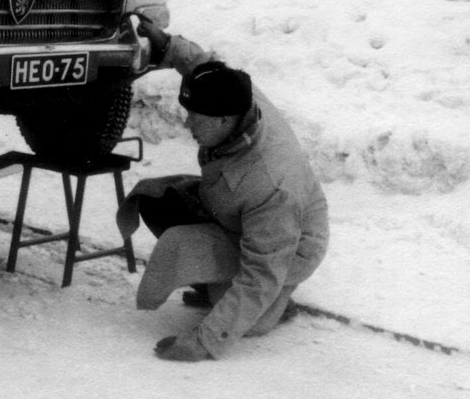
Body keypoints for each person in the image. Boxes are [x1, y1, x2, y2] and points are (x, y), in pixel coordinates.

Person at [116, 21, 329, 362]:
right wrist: (168, 45)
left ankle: (268, 301)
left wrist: (204, 341)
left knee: (249, 315)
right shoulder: (236, 96)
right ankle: (220, 287)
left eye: (195, 118)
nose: (187, 125)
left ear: (224, 121)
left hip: (292, 246)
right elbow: (205, 68)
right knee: (156, 199)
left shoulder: (272, 182)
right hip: (233, 209)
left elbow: (262, 271)